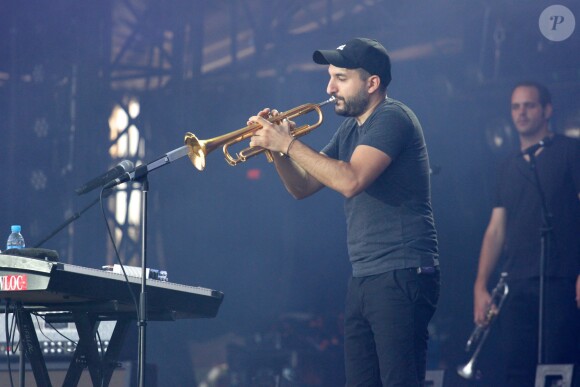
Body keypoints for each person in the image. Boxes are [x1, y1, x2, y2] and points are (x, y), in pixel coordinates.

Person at [248, 37, 440, 387]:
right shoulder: (351, 128)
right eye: (330, 76)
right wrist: (276, 150)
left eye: (340, 77)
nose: (329, 87)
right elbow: (302, 187)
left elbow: (350, 180)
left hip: (400, 271)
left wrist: (287, 143)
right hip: (365, 275)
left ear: (371, 83)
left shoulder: (392, 117)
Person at [473, 81, 580, 386]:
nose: (521, 113)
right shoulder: (507, 166)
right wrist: (480, 286)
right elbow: (495, 229)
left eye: (529, 105)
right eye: (516, 107)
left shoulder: (570, 151)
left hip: (561, 278)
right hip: (516, 283)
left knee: (560, 367)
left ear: (547, 110)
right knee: (517, 369)